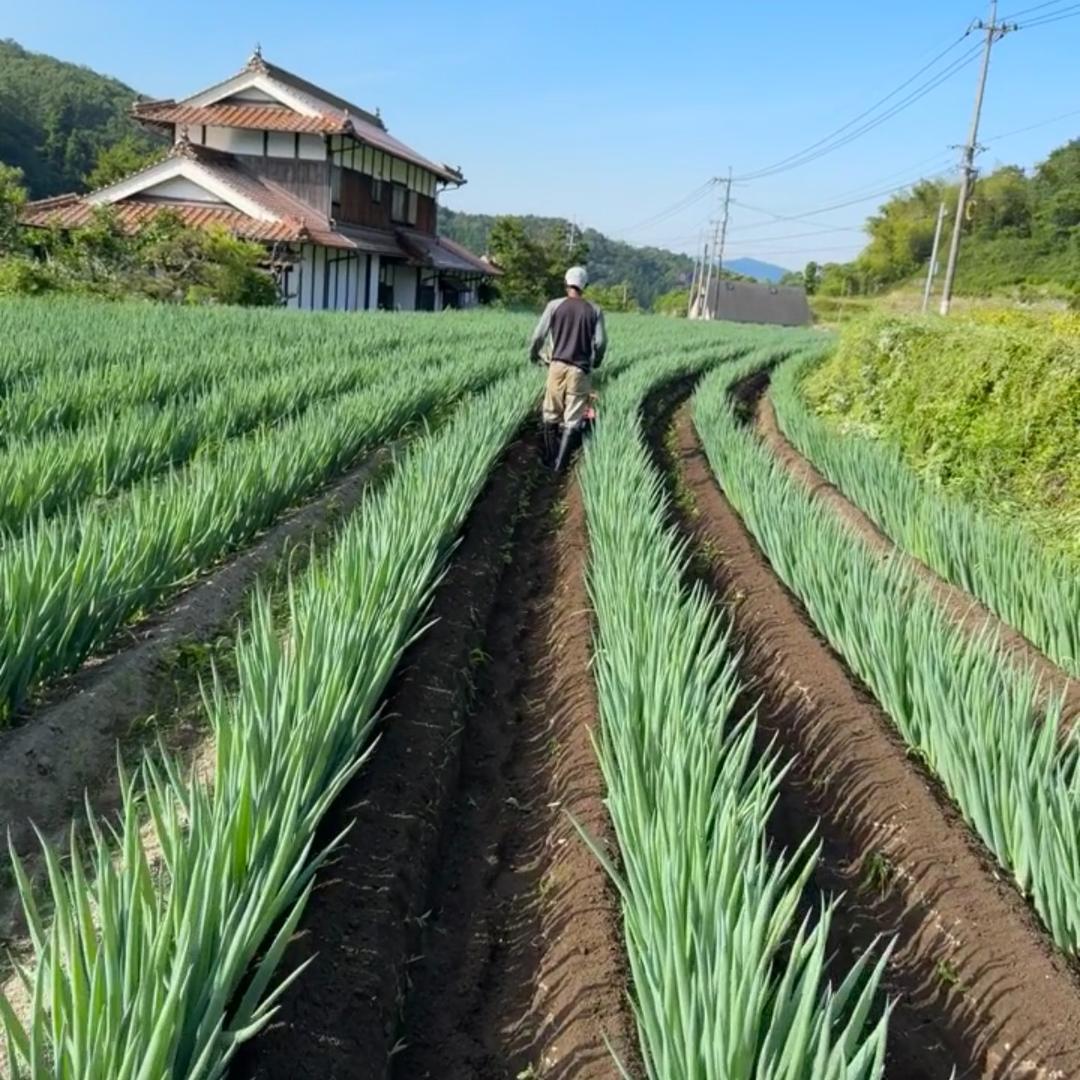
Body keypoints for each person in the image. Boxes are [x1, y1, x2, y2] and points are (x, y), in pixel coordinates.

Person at [528, 266, 607, 469]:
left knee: (550, 412)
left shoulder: (554, 306)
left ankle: (549, 459)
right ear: (585, 286)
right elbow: (600, 342)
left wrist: (534, 355)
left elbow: (538, 336)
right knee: (573, 417)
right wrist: (596, 361)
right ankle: (560, 465)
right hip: (580, 369)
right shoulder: (594, 310)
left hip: (556, 366)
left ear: (566, 284)